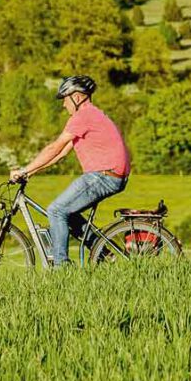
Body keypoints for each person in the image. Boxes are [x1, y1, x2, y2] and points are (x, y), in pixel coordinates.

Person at [10, 75, 131, 266]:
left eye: (65, 99)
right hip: (110, 175)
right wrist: (30, 173)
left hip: (103, 175)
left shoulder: (83, 116)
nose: (63, 104)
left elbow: (54, 148)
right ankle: (104, 253)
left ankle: (61, 268)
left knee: (56, 211)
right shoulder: (91, 115)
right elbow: (61, 155)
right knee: (69, 214)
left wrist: (23, 169)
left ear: (77, 97)